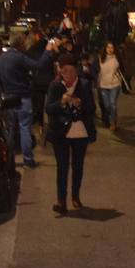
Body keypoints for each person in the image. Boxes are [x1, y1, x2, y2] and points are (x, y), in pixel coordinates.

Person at [45, 55, 97, 215]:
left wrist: (80, 103)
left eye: (72, 70)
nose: (68, 74)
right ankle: (61, 201)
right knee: (62, 167)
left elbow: (92, 108)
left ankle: (75, 196)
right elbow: (49, 109)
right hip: (61, 133)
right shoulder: (55, 86)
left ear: (77, 70)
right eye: (65, 70)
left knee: (78, 166)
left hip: (80, 132)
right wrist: (62, 102)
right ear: (60, 71)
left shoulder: (84, 85)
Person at [0, 33, 56, 168]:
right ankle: (28, 160)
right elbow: (39, 65)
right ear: (20, 44)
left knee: (9, 131)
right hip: (22, 97)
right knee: (24, 129)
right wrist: (47, 51)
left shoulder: (2, 58)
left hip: (7, 98)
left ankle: (8, 161)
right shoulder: (19, 57)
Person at [96, 41, 123, 130]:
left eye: (112, 48)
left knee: (112, 103)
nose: (110, 50)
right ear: (105, 48)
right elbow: (97, 70)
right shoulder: (101, 58)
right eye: (108, 47)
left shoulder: (117, 58)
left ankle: (113, 123)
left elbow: (122, 69)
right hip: (103, 85)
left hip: (115, 84)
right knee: (107, 105)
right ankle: (109, 119)